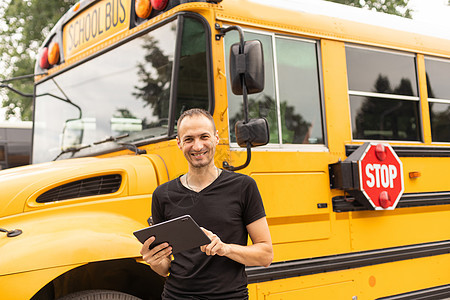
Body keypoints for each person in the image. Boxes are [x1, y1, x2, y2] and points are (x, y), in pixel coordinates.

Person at [140, 108, 273, 299]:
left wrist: (225, 248)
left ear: (216, 138)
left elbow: (266, 255)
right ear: (179, 143)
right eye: (189, 139)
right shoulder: (162, 194)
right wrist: (154, 261)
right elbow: (165, 268)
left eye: (204, 136)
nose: (197, 146)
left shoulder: (243, 187)